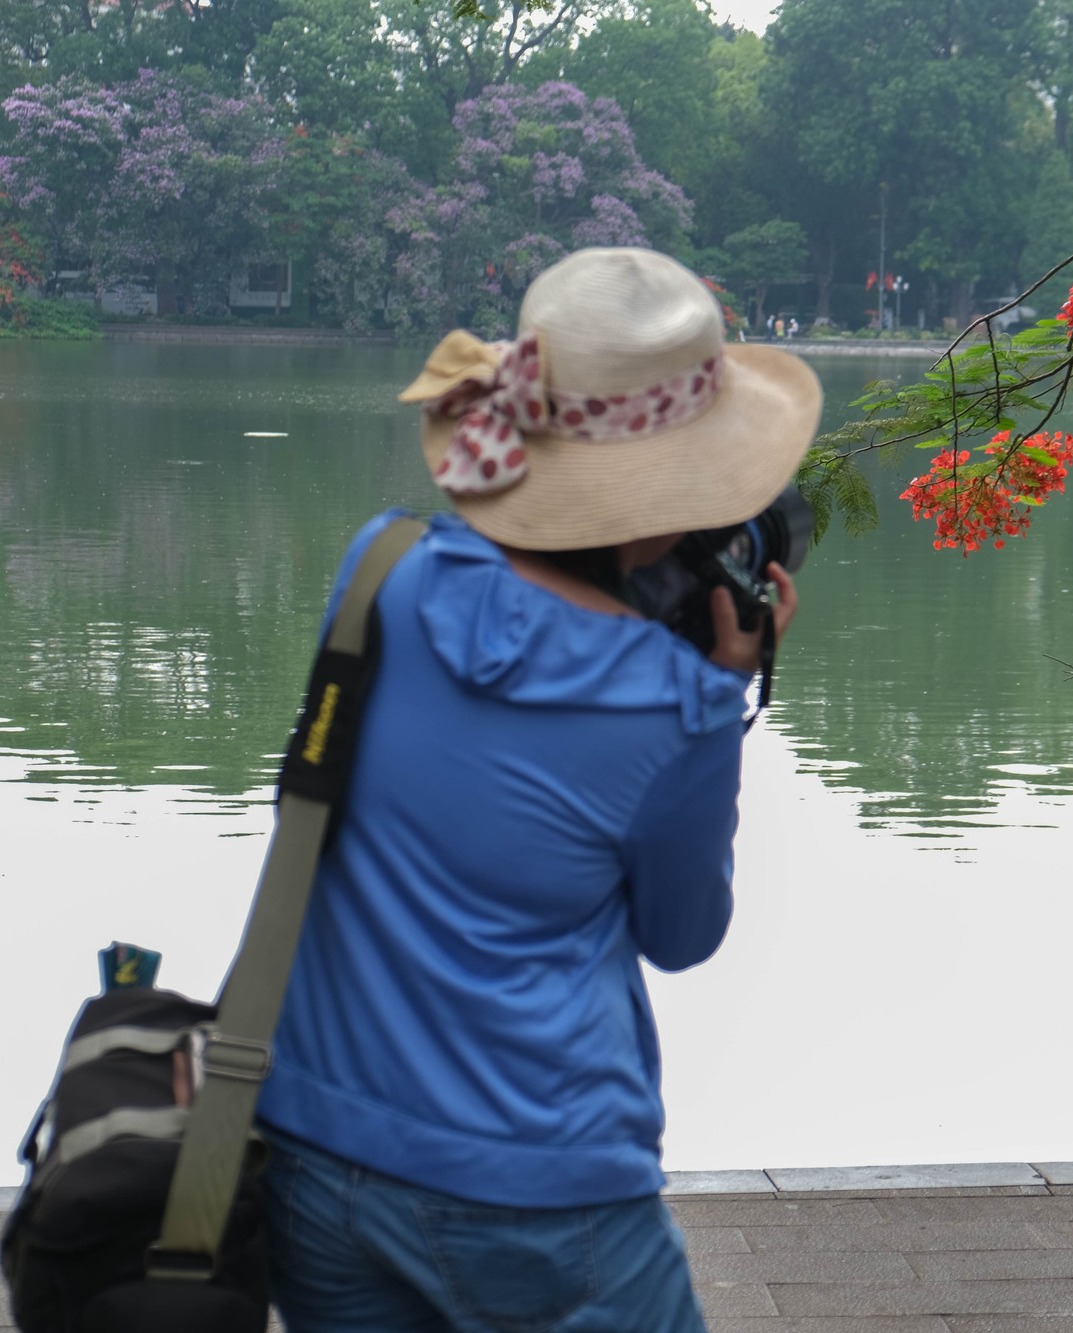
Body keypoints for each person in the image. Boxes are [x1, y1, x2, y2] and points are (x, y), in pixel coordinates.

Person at [254, 247, 822, 1329]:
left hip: (317, 1155)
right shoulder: (676, 702)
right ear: (677, 501)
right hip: (545, 1194)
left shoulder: (377, 568)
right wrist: (723, 690)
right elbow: (681, 932)